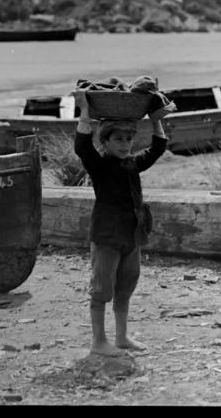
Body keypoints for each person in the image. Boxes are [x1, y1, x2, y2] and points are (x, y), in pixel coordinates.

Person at [72, 90, 170, 356]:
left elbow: (158, 148)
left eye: (129, 138)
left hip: (132, 236)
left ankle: (122, 337)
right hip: (106, 236)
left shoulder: (132, 164)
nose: (125, 144)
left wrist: (155, 118)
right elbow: (82, 146)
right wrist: (84, 110)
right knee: (102, 288)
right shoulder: (100, 165)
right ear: (105, 141)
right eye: (118, 139)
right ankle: (99, 342)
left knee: (126, 285)